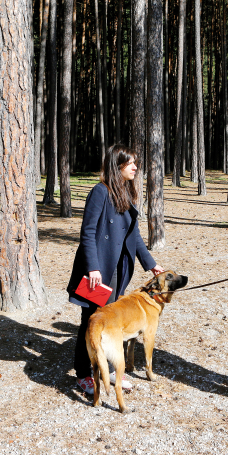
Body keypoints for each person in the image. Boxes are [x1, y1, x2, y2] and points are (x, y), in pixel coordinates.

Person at [67, 145, 163, 395]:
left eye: (136, 163)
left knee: (109, 322)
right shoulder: (100, 192)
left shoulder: (126, 195)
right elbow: (87, 233)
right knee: (91, 321)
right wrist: (93, 269)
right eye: (130, 163)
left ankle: (106, 370)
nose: (135, 167)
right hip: (99, 273)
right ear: (116, 165)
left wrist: (151, 264)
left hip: (118, 271)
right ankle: (84, 374)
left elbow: (135, 236)